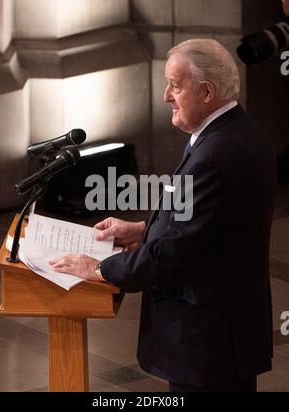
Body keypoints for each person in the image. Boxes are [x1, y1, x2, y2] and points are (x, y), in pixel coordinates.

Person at [50, 39, 277, 392]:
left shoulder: (217, 153)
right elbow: (209, 222)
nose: (166, 95)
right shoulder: (233, 133)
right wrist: (143, 228)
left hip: (208, 338)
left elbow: (172, 252)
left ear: (206, 91)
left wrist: (95, 268)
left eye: (175, 84)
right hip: (222, 331)